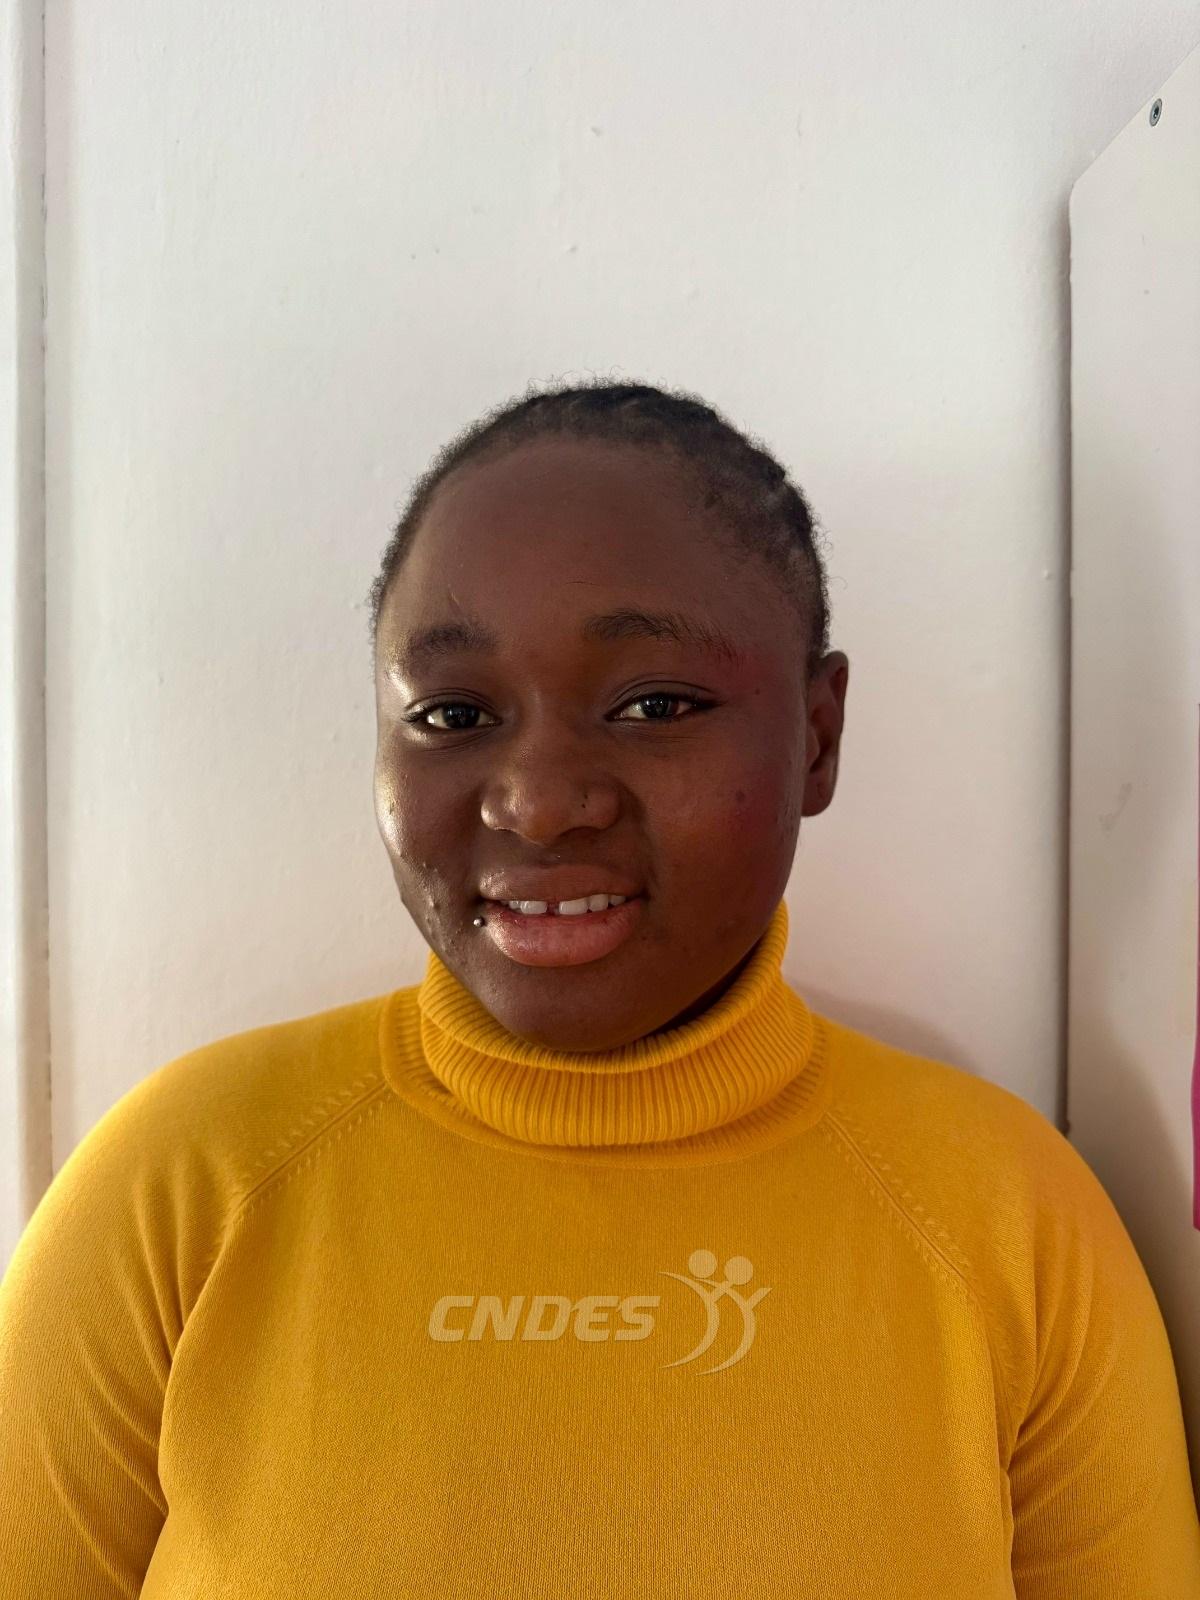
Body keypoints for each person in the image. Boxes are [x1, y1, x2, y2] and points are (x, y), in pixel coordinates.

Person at [1, 379, 1197, 1598]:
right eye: (452, 712)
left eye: (654, 705)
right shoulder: (182, 1191)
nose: (538, 801)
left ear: (818, 733)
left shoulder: (1013, 1222)